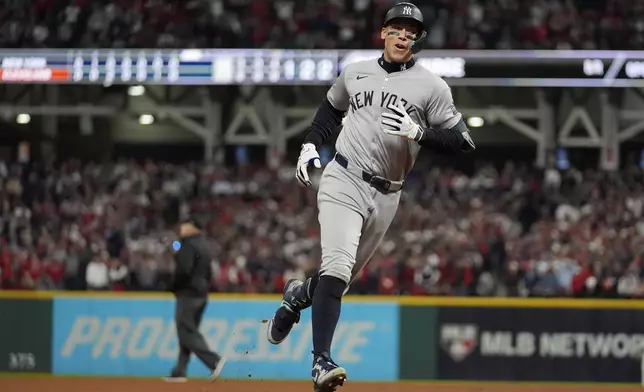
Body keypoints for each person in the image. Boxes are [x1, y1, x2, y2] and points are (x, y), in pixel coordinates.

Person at [266, 2, 475, 391]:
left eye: (411, 32)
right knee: (338, 268)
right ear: (383, 32)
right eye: (397, 28)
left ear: (418, 40)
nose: (403, 36)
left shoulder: (432, 86)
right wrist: (310, 144)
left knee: (336, 282)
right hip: (344, 176)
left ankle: (298, 295)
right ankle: (320, 363)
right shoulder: (356, 72)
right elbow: (331, 108)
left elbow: (464, 143)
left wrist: (421, 134)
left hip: (388, 194)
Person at [164, 219, 226, 382]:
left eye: (184, 225)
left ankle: (214, 361)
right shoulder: (204, 246)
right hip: (201, 293)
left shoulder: (187, 245)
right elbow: (209, 273)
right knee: (188, 332)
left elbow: (184, 270)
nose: (181, 228)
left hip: (188, 293)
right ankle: (180, 370)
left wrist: (172, 286)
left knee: (186, 331)